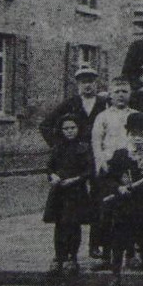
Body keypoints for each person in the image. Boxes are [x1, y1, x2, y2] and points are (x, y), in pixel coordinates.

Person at [99, 111, 143, 286]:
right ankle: (115, 276)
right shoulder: (120, 155)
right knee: (119, 241)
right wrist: (118, 188)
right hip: (124, 205)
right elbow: (107, 178)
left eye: (141, 135)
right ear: (128, 135)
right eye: (134, 135)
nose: (137, 139)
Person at [42, 115, 94, 277]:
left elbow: (89, 170)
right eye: (66, 129)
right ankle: (59, 257)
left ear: (78, 129)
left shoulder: (84, 148)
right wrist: (53, 176)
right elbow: (49, 167)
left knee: (73, 223)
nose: (69, 131)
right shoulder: (58, 148)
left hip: (76, 192)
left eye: (72, 128)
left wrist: (75, 179)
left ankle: (72, 257)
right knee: (60, 224)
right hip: (60, 191)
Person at [39, 66, 106, 147]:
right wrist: (58, 144)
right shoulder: (70, 103)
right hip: (75, 153)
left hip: (100, 150)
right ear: (78, 84)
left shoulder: (104, 102)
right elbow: (45, 125)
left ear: (96, 83)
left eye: (91, 81)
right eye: (83, 82)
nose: (87, 85)